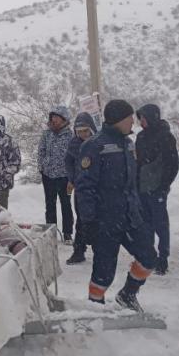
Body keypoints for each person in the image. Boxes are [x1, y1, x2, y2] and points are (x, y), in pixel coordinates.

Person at [75, 100, 156, 311]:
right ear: (119, 120)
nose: (133, 122)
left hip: (130, 218)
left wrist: (139, 210)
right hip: (105, 221)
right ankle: (95, 307)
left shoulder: (129, 143)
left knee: (148, 258)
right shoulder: (94, 146)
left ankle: (128, 295)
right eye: (129, 118)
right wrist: (88, 222)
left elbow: (132, 183)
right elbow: (85, 188)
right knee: (103, 272)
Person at [134, 104, 179, 275]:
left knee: (160, 224)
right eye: (140, 118)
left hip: (157, 188)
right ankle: (148, 254)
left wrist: (163, 185)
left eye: (144, 118)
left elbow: (173, 164)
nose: (142, 121)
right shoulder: (141, 137)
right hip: (142, 188)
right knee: (145, 224)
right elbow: (138, 162)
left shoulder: (165, 137)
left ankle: (163, 257)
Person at [37, 105, 74, 244]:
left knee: (66, 205)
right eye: (52, 118)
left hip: (65, 177)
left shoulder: (71, 135)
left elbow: (73, 155)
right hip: (48, 176)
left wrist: (72, 174)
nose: (53, 120)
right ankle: (51, 233)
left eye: (56, 118)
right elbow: (41, 151)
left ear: (64, 119)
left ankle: (68, 233)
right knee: (50, 205)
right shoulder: (47, 134)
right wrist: (42, 166)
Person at [64, 112, 97, 264]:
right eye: (80, 131)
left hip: (98, 189)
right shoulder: (74, 144)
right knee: (81, 220)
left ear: (91, 129)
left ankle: (101, 251)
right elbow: (69, 162)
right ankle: (79, 250)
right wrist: (72, 178)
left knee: (99, 221)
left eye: (86, 130)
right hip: (81, 189)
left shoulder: (98, 143)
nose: (83, 134)